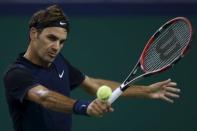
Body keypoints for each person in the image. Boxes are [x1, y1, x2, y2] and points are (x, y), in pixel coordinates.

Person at [3, 4, 180, 131]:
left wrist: (146, 91)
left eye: (62, 41)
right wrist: (84, 107)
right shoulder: (17, 74)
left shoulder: (59, 62)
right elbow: (45, 97)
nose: (56, 47)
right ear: (34, 33)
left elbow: (93, 84)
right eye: (51, 38)